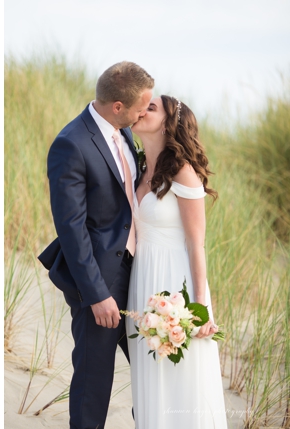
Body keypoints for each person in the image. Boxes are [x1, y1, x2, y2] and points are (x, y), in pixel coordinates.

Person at [38, 61, 153, 428]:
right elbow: (71, 228)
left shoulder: (125, 133)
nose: (144, 113)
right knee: (94, 378)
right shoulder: (70, 143)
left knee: (152, 371)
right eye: (141, 107)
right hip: (100, 280)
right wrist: (97, 294)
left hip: (138, 272)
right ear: (118, 105)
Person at [125, 95, 226, 427]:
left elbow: (197, 243)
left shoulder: (183, 173)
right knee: (150, 377)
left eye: (151, 108)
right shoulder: (140, 169)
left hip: (176, 285)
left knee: (181, 379)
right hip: (143, 282)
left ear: (169, 125)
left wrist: (200, 308)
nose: (141, 110)